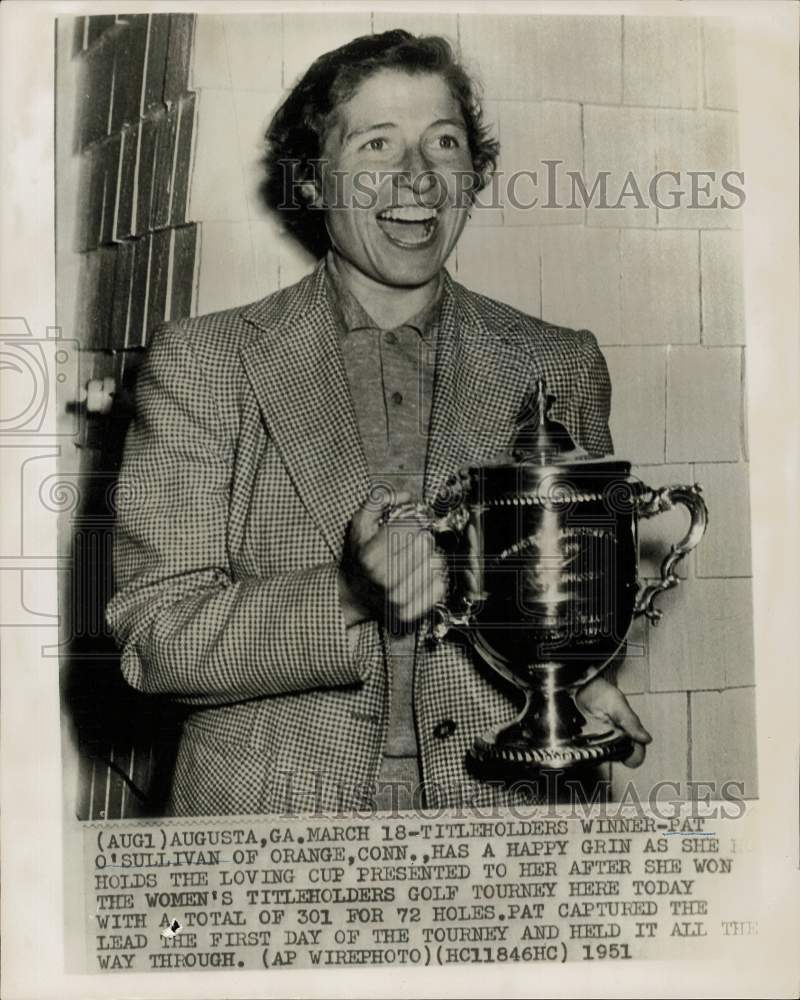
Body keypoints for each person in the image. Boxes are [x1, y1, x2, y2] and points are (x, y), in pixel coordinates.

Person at [107, 30, 651, 817]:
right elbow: (153, 637)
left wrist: (575, 676)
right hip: (277, 828)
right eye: (376, 145)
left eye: (444, 142)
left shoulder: (557, 362)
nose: (417, 178)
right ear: (314, 180)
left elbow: (560, 599)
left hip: (511, 818)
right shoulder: (204, 361)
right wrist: (349, 595)